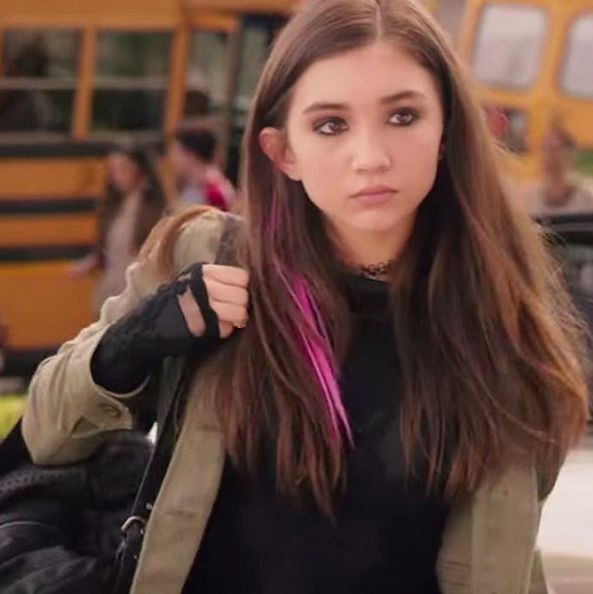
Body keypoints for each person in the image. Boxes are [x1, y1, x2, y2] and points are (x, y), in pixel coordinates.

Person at [23, 1, 589, 593]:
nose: (370, 156)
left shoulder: (500, 311)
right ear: (282, 151)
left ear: (447, 128)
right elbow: (47, 431)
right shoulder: (209, 259)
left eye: (402, 116)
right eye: (330, 125)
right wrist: (131, 343)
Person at [70, 144, 167, 312]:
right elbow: (108, 249)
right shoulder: (114, 206)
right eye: (113, 169)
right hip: (111, 290)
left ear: (139, 170)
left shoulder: (153, 209)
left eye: (123, 168)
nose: (117, 176)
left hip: (138, 295)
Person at [526, 123, 593, 215]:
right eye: (545, 149)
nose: (549, 157)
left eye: (555, 150)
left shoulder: (586, 199)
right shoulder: (529, 199)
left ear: (569, 156)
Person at [168, 126, 237, 210]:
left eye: (177, 153)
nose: (172, 159)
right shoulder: (191, 185)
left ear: (191, 155)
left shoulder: (214, 191)